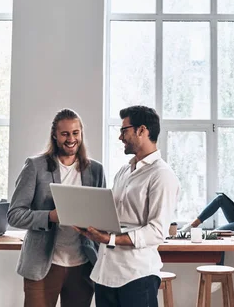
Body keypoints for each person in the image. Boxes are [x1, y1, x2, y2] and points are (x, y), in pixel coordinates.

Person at [76, 105, 180, 307]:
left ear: (142, 130)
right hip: (105, 273)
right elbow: (113, 215)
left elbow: (157, 231)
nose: (120, 137)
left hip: (137, 276)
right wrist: (88, 223)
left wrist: (110, 238)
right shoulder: (124, 171)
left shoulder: (162, 175)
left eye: (124, 130)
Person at [7, 108, 106, 307]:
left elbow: (101, 215)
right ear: (54, 135)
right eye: (65, 134)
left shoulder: (95, 170)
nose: (71, 139)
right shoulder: (35, 166)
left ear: (81, 134)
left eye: (75, 133)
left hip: (83, 264)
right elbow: (14, 215)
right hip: (43, 264)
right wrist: (50, 216)